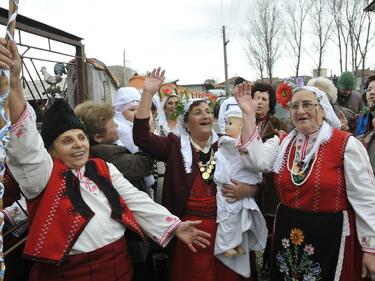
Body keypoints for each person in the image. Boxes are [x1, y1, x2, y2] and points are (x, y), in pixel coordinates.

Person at [1, 39, 210, 281]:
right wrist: (14, 82)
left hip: (119, 265)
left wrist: (174, 225)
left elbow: (136, 200)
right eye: (67, 141)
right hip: (71, 274)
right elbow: (25, 143)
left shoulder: (103, 168)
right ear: (51, 151)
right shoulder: (43, 176)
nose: (78, 144)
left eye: (81, 137)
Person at [235, 83, 375, 280]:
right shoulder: (283, 143)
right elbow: (254, 160)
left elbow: (366, 199)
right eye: (294, 106)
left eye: (307, 105)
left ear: (322, 108)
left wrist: (371, 248)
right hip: (289, 235)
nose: (300, 111)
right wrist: (248, 115)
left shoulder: (345, 144)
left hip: (330, 237)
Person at [133, 67, 259, 281]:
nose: (206, 115)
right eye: (198, 112)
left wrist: (250, 190)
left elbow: (257, 174)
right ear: (186, 122)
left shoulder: (227, 144)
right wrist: (147, 94)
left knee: (230, 275)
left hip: (229, 228)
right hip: (191, 232)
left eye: (208, 111)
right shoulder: (174, 145)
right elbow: (141, 137)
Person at [214, 105, 267, 278]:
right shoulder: (222, 145)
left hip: (242, 198)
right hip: (226, 197)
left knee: (240, 229)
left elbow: (257, 171)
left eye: (233, 123)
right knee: (230, 227)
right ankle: (232, 255)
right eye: (227, 123)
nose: (228, 127)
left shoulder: (250, 146)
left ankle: (239, 260)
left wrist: (251, 188)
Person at [251, 82, 286, 278]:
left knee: (269, 225)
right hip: (247, 182)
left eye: (264, 99)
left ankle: (266, 261)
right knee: (248, 223)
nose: (260, 102)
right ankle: (247, 260)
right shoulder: (242, 122)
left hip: (269, 185)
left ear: (270, 103)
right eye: (257, 97)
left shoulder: (279, 125)